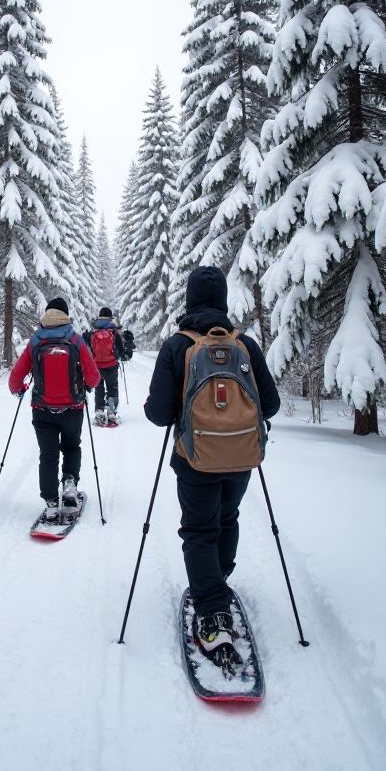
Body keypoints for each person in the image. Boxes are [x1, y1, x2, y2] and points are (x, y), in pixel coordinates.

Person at [144, 266, 280, 665]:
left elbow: (158, 414)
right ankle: (217, 582)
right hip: (241, 458)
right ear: (223, 300)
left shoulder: (177, 346)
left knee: (199, 529)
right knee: (227, 518)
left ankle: (212, 611)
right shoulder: (246, 346)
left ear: (189, 300)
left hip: (194, 459)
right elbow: (269, 405)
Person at [9, 297, 101, 520]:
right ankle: (69, 486)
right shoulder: (76, 340)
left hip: (42, 410)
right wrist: (86, 385)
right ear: (66, 316)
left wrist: (20, 388)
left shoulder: (36, 341)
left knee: (48, 455)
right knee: (71, 447)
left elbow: (14, 379)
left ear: (46, 315)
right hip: (72, 408)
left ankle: (50, 502)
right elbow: (95, 378)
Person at [85, 307, 125, 425]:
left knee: (99, 388)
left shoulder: (93, 331)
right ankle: (111, 412)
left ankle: (99, 412)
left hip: (96, 365)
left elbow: (87, 347)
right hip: (111, 365)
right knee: (112, 388)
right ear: (110, 318)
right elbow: (120, 350)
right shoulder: (113, 331)